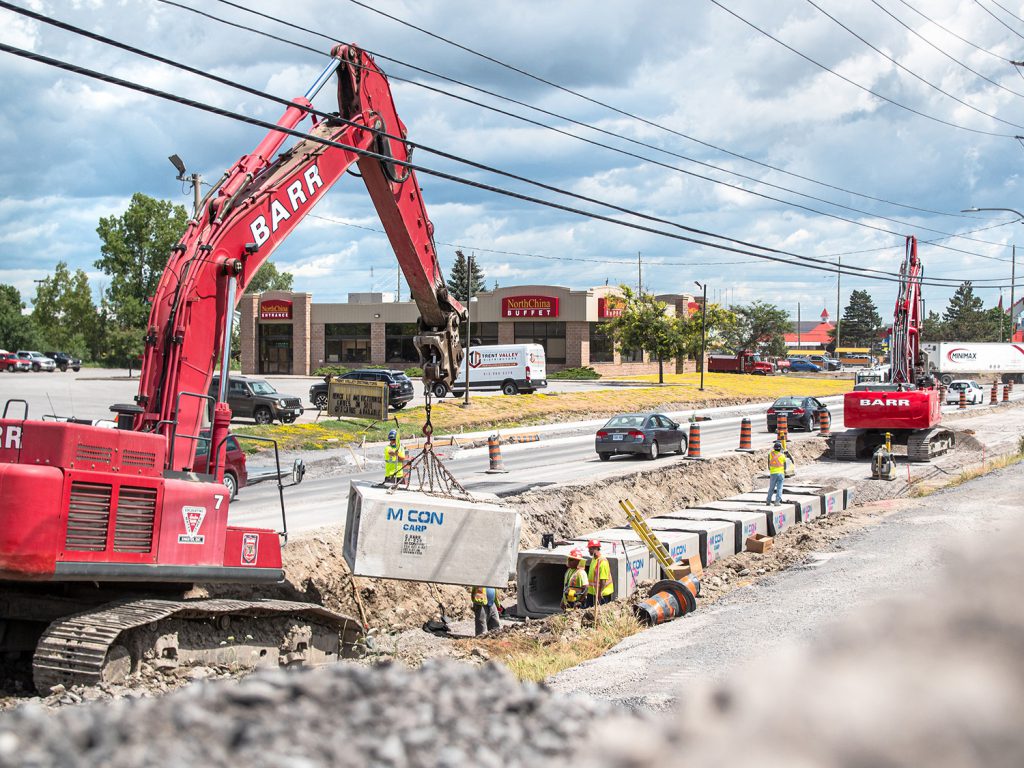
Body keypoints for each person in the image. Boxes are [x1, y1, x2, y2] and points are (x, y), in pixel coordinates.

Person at [583, 539, 613, 607]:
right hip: (592, 592)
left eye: (590, 549)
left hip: (602, 594)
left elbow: (603, 581)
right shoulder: (594, 559)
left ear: (596, 548)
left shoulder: (603, 562)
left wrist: (599, 594)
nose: (588, 550)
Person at [766, 440, 786, 506]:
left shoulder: (770, 454)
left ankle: (768, 501)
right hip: (781, 474)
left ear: (774, 448)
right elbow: (785, 466)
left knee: (771, 488)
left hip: (773, 473)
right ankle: (777, 501)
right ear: (780, 448)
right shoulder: (782, 456)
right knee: (779, 488)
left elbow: (768, 465)